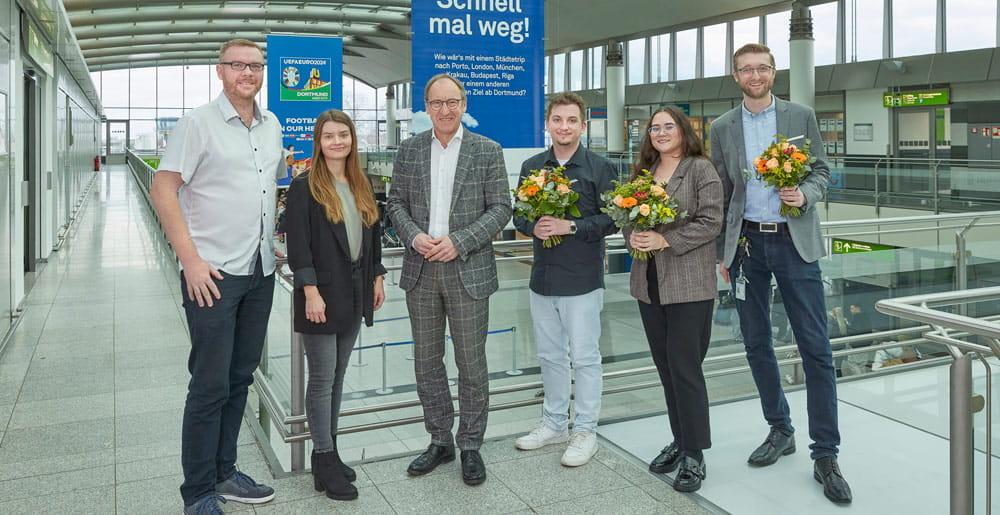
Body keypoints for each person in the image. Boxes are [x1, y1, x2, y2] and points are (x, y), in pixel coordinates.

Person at [712, 43, 852, 504]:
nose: (755, 75)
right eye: (746, 69)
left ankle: (825, 452)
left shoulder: (801, 116)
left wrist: (806, 196)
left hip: (795, 242)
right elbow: (722, 191)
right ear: (735, 76)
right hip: (747, 245)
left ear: (773, 72)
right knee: (756, 342)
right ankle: (780, 429)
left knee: (815, 345)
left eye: (762, 68)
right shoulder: (722, 127)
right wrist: (722, 251)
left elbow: (821, 171)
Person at [151, 39, 281, 514]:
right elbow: (164, 185)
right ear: (220, 71)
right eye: (237, 65)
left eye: (255, 65)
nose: (247, 72)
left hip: (259, 270)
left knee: (240, 377)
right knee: (209, 384)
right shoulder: (197, 123)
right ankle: (198, 492)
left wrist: (273, 244)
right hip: (213, 274)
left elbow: (264, 193)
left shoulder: (272, 127)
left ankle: (225, 472)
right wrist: (190, 259)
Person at [386, 73, 512, 486]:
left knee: (471, 364)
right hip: (421, 271)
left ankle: (471, 444)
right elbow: (395, 204)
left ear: (464, 103)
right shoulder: (409, 150)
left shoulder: (487, 151)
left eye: (452, 102)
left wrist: (459, 241)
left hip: (467, 269)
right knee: (426, 363)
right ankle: (440, 440)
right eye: (437, 103)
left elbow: (500, 209)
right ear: (426, 106)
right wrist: (414, 237)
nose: (445, 110)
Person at [285, 110, 387, 501]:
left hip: (356, 291)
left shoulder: (360, 183)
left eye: (343, 135)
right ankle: (325, 459)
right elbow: (299, 246)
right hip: (321, 297)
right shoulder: (304, 187)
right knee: (323, 378)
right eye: (329, 136)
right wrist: (310, 291)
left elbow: (372, 236)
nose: (337, 142)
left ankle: (328, 452)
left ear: (351, 139)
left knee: (339, 376)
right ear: (319, 141)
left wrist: (377, 274)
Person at [512, 93, 617, 466]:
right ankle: (554, 423)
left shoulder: (600, 168)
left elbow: (612, 219)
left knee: (585, 358)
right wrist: (534, 225)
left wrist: (569, 225)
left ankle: (585, 429)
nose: (564, 127)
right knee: (550, 355)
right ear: (548, 124)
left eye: (572, 120)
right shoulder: (532, 166)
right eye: (557, 120)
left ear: (583, 126)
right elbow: (519, 215)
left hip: (583, 279)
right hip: (542, 278)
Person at [627, 106, 723, 493]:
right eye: (655, 128)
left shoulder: (700, 169)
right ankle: (680, 441)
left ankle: (695, 455)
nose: (661, 133)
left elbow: (712, 221)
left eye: (668, 126)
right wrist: (632, 234)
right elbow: (628, 217)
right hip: (649, 284)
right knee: (666, 369)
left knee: (685, 370)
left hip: (688, 286)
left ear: (683, 130)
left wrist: (666, 239)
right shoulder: (643, 173)